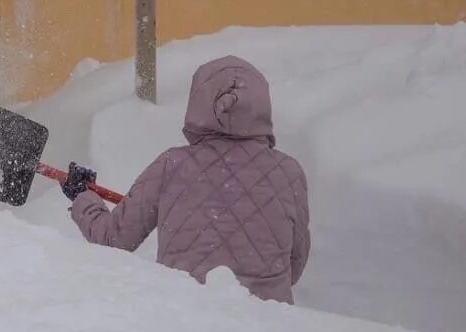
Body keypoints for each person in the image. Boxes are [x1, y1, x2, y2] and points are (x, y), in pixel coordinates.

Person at [63, 56, 310, 304]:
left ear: (199, 103)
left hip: (186, 322)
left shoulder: (173, 165)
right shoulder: (290, 173)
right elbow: (294, 265)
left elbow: (113, 239)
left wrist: (84, 196)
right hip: (269, 328)